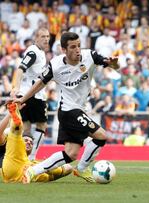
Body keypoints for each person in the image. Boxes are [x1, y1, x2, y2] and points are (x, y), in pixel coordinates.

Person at [15, 32, 119, 184]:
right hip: (68, 110)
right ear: (64, 49)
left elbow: (112, 65)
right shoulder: (55, 65)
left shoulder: (90, 56)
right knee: (102, 136)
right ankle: (82, 169)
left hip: (79, 110)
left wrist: (114, 63)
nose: (77, 50)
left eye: (78, 45)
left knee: (70, 154)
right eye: (72, 47)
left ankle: (32, 171)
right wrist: (22, 99)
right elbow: (40, 83)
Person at [0, 102, 72, 183]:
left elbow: (69, 168)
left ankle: (16, 123)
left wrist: (50, 165)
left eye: (31, 142)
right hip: (11, 164)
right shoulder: (11, 145)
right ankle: (16, 124)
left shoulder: (36, 163)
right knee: (16, 136)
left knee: (46, 170)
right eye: (26, 140)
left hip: (23, 170)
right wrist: (10, 114)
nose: (29, 143)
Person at [11, 28, 50, 161]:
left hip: (27, 93)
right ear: (36, 38)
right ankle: (32, 157)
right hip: (33, 94)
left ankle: (23, 158)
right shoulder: (33, 52)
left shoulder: (40, 52)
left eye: (47, 36)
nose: (46, 39)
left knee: (26, 127)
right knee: (42, 125)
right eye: (43, 36)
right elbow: (21, 68)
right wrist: (15, 86)